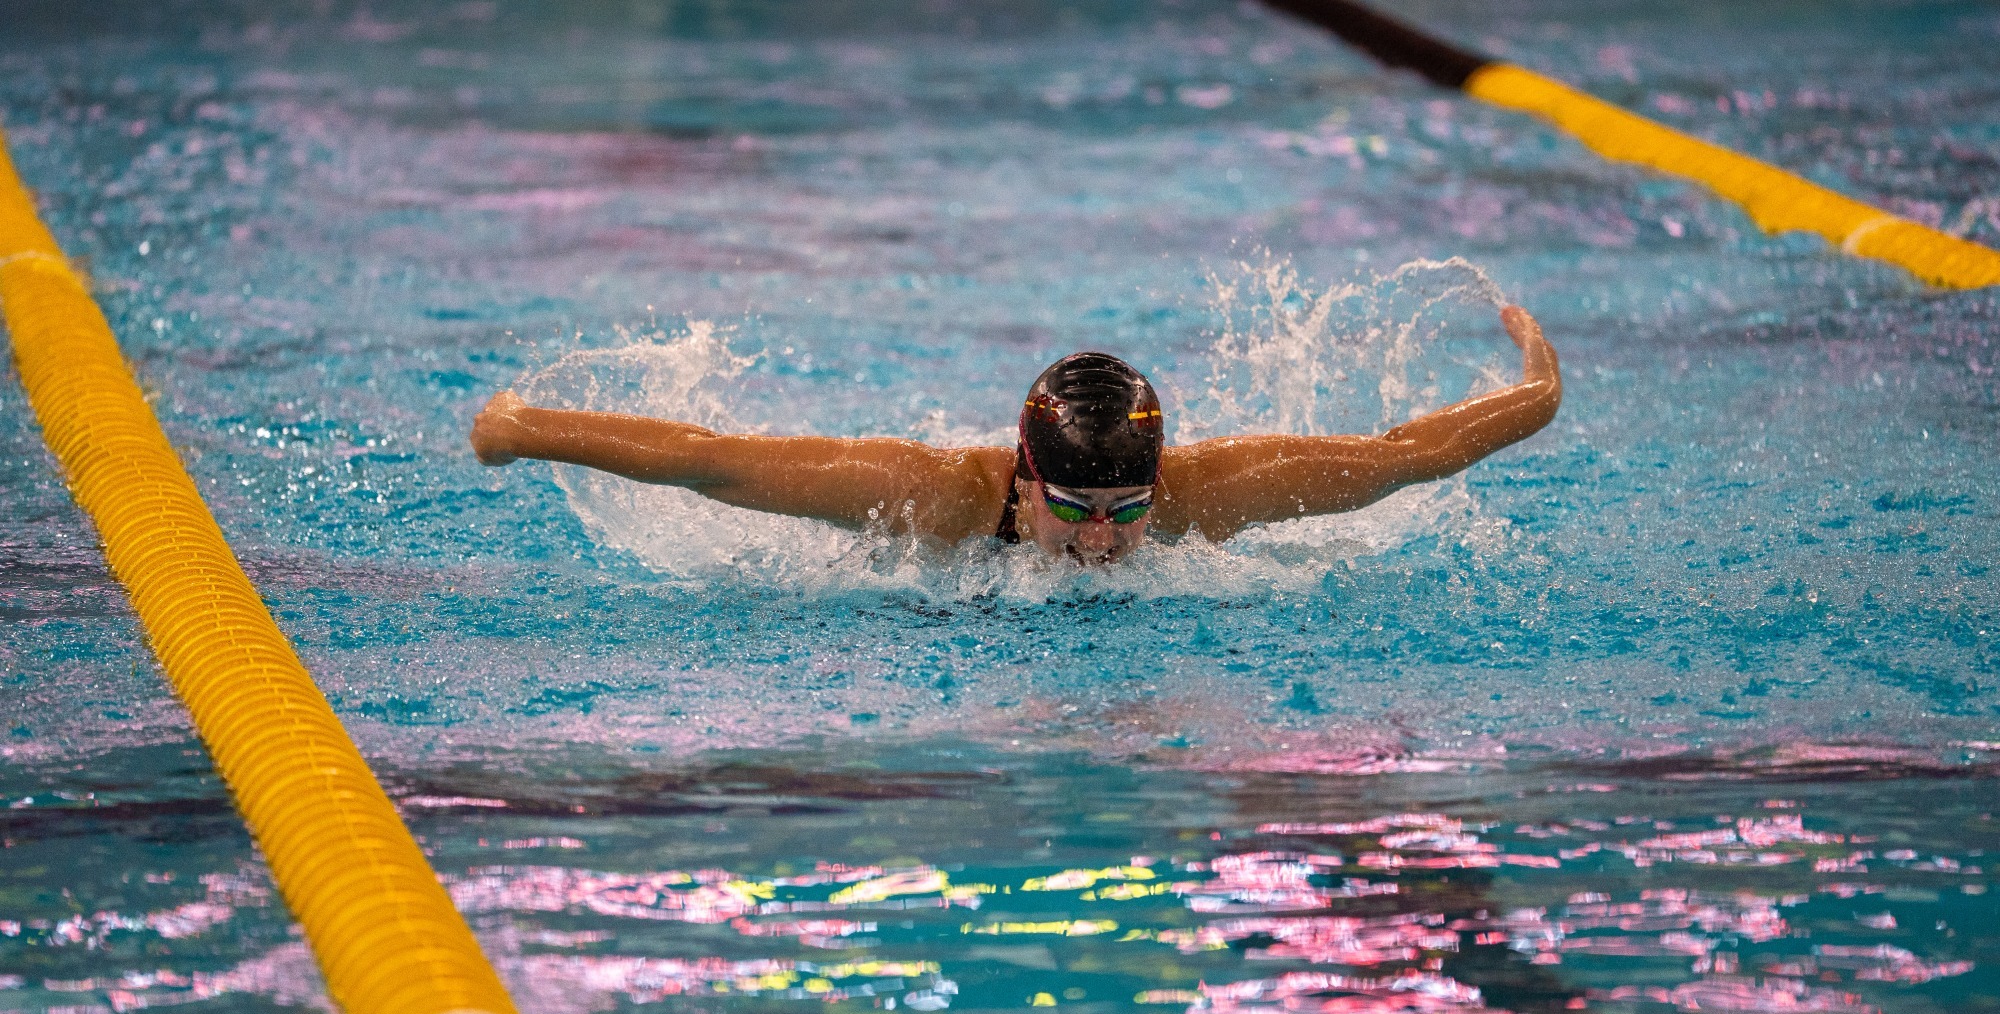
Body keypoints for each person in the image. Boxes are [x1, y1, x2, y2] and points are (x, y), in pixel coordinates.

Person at [470, 305, 1560, 564]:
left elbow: (1412, 453)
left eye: (1125, 510)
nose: (1099, 542)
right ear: (1020, 474)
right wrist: (526, 429)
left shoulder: (1214, 494)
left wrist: (1539, 385)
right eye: (1073, 510)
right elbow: (714, 459)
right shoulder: (935, 493)